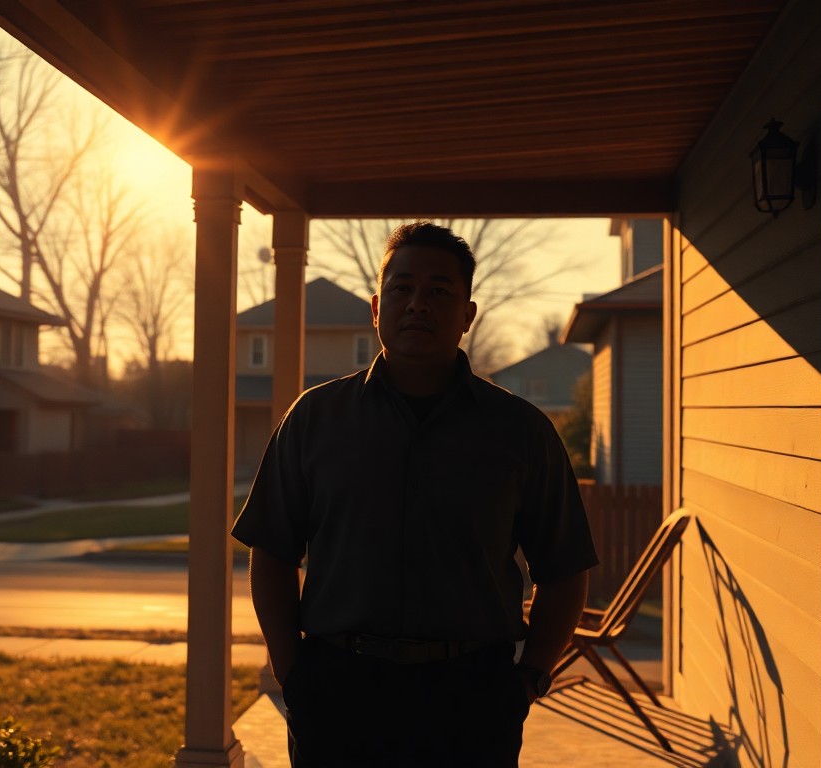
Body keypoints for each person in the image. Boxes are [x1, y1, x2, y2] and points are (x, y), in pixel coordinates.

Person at [231, 221, 597, 767]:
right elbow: (272, 552)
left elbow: (565, 569)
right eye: (402, 289)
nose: (418, 304)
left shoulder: (519, 432)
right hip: (339, 693)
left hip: (471, 699)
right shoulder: (315, 419)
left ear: (467, 315)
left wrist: (529, 680)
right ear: (378, 308)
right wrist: (293, 673)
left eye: (439, 291)